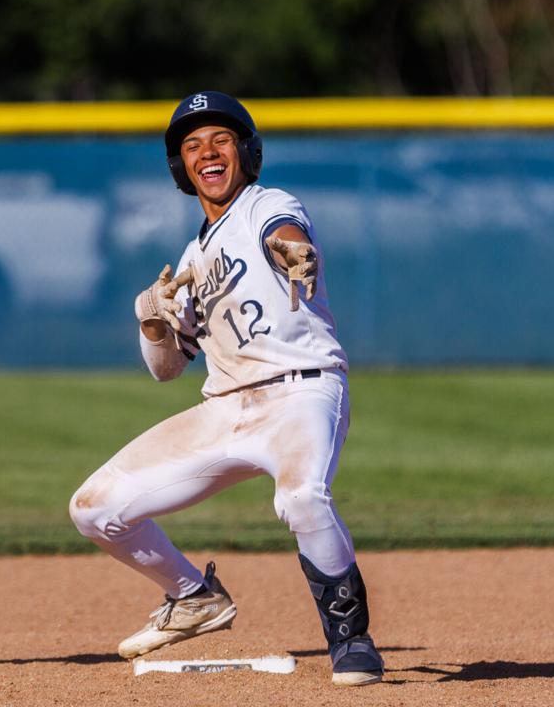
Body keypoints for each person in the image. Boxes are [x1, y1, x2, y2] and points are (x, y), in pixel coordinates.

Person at [68, 91, 384, 687]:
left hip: (301, 392)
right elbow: (166, 369)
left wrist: (294, 250)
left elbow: (285, 235)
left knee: (301, 498)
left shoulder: (268, 203)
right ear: (180, 168)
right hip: (226, 408)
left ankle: (351, 639)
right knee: (93, 509)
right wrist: (154, 320)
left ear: (246, 152)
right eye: (191, 145)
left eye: (220, 140)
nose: (207, 153)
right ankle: (193, 596)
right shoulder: (191, 258)